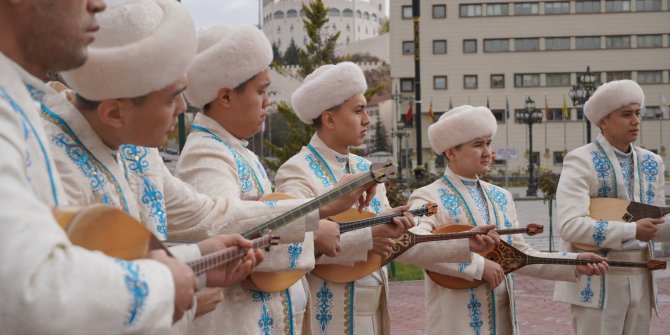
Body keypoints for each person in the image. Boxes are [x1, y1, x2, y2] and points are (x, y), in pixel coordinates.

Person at [0, 0, 204, 333]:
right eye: (170, 97)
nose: (98, 4)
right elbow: (31, 289)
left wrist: (198, 262)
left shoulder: (17, 98)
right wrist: (164, 287)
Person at [274, 62, 498, 335]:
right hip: (327, 318)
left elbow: (399, 242)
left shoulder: (366, 170)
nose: (367, 120)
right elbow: (295, 241)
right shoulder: (298, 170)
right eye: (358, 111)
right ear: (329, 119)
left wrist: (463, 242)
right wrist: (369, 237)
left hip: (375, 317)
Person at [175, 23, 339, 334]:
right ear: (225, 97)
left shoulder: (239, 151)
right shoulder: (206, 154)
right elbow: (232, 236)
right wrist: (310, 235)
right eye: (261, 90)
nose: (268, 102)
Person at [407, 105, 608, 335]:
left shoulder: (500, 196)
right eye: (477, 145)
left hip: (503, 321)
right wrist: (478, 266)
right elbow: (414, 244)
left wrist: (574, 261)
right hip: (456, 323)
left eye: (488, 143)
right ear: (451, 152)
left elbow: (520, 253)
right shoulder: (428, 197)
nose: (487, 152)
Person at [554, 79, 670, 335]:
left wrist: (653, 228)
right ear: (603, 121)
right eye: (626, 114)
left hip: (642, 276)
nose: (636, 120)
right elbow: (570, 225)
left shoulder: (653, 162)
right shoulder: (581, 160)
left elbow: (656, 224)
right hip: (596, 279)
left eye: (638, 113)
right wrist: (631, 231)